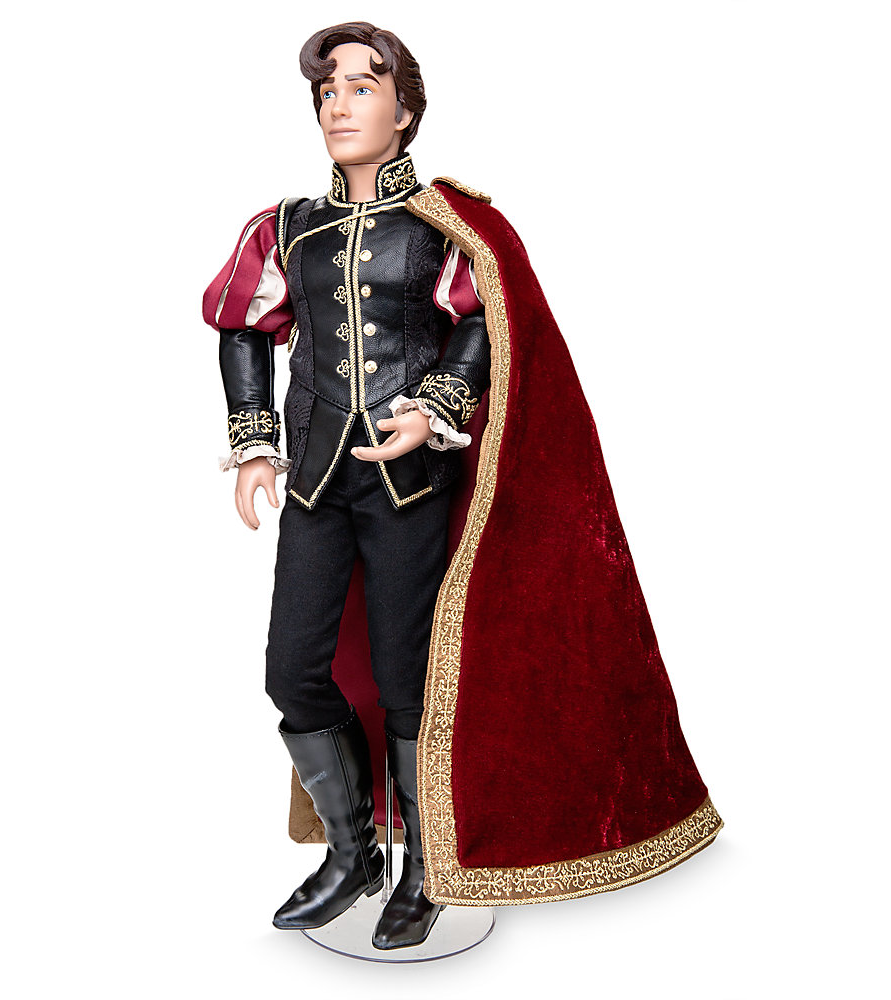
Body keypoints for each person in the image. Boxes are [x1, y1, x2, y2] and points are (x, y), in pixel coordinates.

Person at [204, 21, 722, 950]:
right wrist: (253, 444)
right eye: (326, 91)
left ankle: (425, 866)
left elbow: (487, 320)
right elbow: (244, 325)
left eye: (362, 88)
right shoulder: (286, 227)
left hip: (411, 483)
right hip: (316, 479)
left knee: (409, 675)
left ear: (404, 110)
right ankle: (352, 854)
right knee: (292, 669)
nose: (339, 106)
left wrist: (436, 403)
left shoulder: (444, 223)